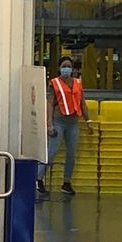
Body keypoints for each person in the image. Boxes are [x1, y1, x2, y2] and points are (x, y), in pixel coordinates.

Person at [41, 55, 88, 196]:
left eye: (68, 66)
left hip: (73, 123)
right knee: (52, 152)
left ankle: (66, 182)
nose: (66, 69)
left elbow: (82, 103)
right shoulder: (54, 83)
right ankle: (38, 179)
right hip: (58, 121)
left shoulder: (78, 84)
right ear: (59, 68)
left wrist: (88, 121)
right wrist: (49, 124)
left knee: (71, 154)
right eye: (64, 66)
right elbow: (50, 103)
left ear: (72, 69)